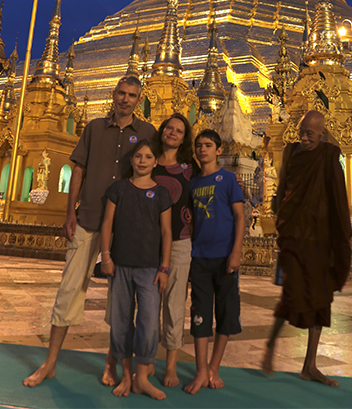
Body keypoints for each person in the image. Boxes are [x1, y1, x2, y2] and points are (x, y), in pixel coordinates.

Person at [23, 75, 156, 388]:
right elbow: (78, 170)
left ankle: (110, 365)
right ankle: (50, 363)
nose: (125, 99)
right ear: (113, 95)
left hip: (124, 228)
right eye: (121, 93)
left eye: (132, 95)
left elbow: (156, 174)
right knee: (69, 290)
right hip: (89, 218)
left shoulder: (147, 132)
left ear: (139, 100)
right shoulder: (94, 128)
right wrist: (71, 211)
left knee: (120, 301)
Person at [262, 110, 352, 386]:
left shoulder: (328, 156)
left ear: (322, 134)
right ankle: (270, 346)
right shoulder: (292, 153)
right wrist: (282, 219)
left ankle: (309, 364)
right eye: (301, 132)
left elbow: (338, 196)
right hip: (294, 237)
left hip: (320, 238)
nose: (303, 137)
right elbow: (284, 190)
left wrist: (343, 236)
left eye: (309, 134)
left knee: (321, 300)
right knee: (293, 293)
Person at [100, 139, 172, 400]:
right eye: (138, 156)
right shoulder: (118, 188)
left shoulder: (162, 193)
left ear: (155, 162)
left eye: (148, 157)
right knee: (120, 321)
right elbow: (108, 223)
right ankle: (127, 375)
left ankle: (142, 377)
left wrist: (164, 267)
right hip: (120, 264)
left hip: (150, 268)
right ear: (131, 160)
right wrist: (106, 256)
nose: (142, 160)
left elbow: (166, 232)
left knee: (149, 321)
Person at [184, 129, 245, 395]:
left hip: (225, 256)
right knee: (199, 315)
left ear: (218, 150)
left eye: (208, 145)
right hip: (199, 257)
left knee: (226, 314)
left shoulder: (228, 179)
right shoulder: (194, 184)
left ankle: (214, 367)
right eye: (198, 145)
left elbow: (240, 217)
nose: (202, 150)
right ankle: (200, 371)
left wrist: (236, 251)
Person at [153, 113, 195, 387]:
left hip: (180, 241)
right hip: (148, 242)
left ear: (184, 138)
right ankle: (144, 360)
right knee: (146, 306)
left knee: (174, 304)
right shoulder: (146, 162)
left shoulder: (190, 169)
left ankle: (170, 365)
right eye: (169, 128)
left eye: (179, 131)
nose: (172, 133)